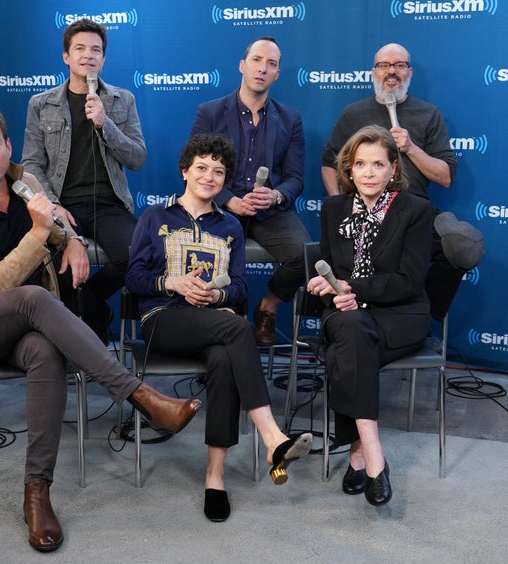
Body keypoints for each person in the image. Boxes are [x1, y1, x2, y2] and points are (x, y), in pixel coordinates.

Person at [0, 103, 201, 553]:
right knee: (35, 298)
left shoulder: (26, 184)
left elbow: (58, 230)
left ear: (7, 144)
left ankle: (36, 493)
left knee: (44, 351)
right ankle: (141, 396)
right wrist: (38, 235)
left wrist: (72, 240)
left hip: (22, 327)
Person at [125, 133, 312, 522]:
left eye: (218, 172)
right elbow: (134, 278)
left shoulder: (231, 228)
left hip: (211, 325)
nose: (209, 177)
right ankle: (272, 436)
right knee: (239, 330)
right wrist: (171, 283)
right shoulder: (155, 217)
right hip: (162, 321)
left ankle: (215, 476)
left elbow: (240, 287)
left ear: (225, 181)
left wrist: (215, 297)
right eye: (202, 168)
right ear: (185, 171)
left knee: (227, 357)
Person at [308, 125, 433, 506]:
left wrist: (351, 288)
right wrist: (326, 285)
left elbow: (408, 281)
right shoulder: (333, 209)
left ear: (393, 169)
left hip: (399, 316)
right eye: (360, 163)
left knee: (346, 348)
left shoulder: (416, 210)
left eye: (378, 164)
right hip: (347, 318)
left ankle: (360, 455)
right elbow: (326, 268)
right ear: (348, 168)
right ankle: (374, 454)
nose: (368, 172)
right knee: (350, 332)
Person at [321, 42, 467, 321]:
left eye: (399, 65)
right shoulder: (353, 114)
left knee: (459, 250)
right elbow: (329, 163)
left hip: (414, 213)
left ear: (409, 72)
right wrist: (341, 203)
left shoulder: (428, 114)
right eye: (384, 65)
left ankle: (421, 316)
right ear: (373, 72)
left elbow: (445, 176)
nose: (392, 71)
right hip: (365, 209)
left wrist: (412, 147)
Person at [21, 18, 146, 343]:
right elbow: (32, 165)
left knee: (137, 256)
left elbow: (137, 158)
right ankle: (87, 325)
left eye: (96, 50)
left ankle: (90, 306)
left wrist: (106, 125)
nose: (88, 55)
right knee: (52, 265)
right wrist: (54, 206)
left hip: (109, 205)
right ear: (66, 56)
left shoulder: (122, 100)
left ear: (103, 59)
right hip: (61, 204)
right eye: (80, 49)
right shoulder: (41, 104)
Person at [190, 36, 311, 347]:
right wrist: (228, 199)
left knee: (306, 255)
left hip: (270, 213)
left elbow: (296, 178)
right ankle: (222, 336)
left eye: (271, 64)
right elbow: (194, 169)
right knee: (210, 264)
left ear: (277, 74)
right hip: (219, 209)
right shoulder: (210, 113)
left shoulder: (290, 118)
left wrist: (277, 195)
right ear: (243, 65)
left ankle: (268, 307)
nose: (263, 68)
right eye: (257, 60)